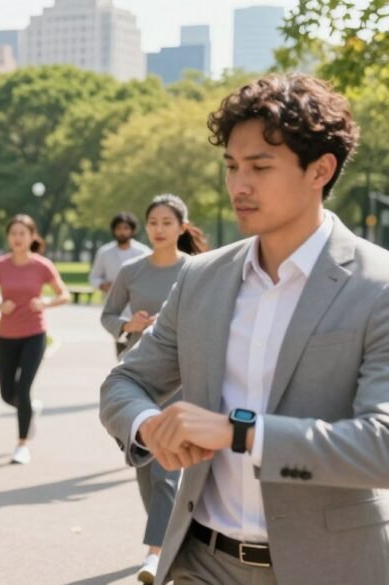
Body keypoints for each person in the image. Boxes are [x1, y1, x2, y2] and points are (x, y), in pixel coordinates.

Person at [100, 74, 389, 585]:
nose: (238, 185)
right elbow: (126, 382)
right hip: (202, 563)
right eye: (232, 166)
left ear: (320, 169)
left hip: (329, 568)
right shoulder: (201, 278)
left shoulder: (378, 285)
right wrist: (151, 426)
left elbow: (381, 445)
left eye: (259, 166)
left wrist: (239, 433)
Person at [99, 194, 209, 584]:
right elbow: (109, 316)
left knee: (167, 468)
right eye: (153, 222)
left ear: (182, 226)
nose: (158, 229)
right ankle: (171, 538)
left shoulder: (198, 270)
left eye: (167, 222)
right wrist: (130, 326)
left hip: (182, 375)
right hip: (140, 375)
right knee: (146, 466)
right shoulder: (131, 271)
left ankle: (155, 554)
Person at [0, 214, 70, 465]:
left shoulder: (42, 265)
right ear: (8, 237)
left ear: (33, 237)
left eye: (23, 233)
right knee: (6, 393)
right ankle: (30, 409)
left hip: (34, 334)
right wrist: (0, 305)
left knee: (23, 388)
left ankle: (21, 445)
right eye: (13, 233)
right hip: (6, 335)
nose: (18, 238)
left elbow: (64, 295)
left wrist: (45, 303)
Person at [90, 212, 151, 355]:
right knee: (122, 346)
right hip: (116, 308)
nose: (122, 232)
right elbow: (94, 278)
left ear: (132, 230)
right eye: (118, 228)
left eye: (126, 228)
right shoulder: (105, 253)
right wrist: (103, 285)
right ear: (113, 230)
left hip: (139, 308)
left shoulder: (143, 252)